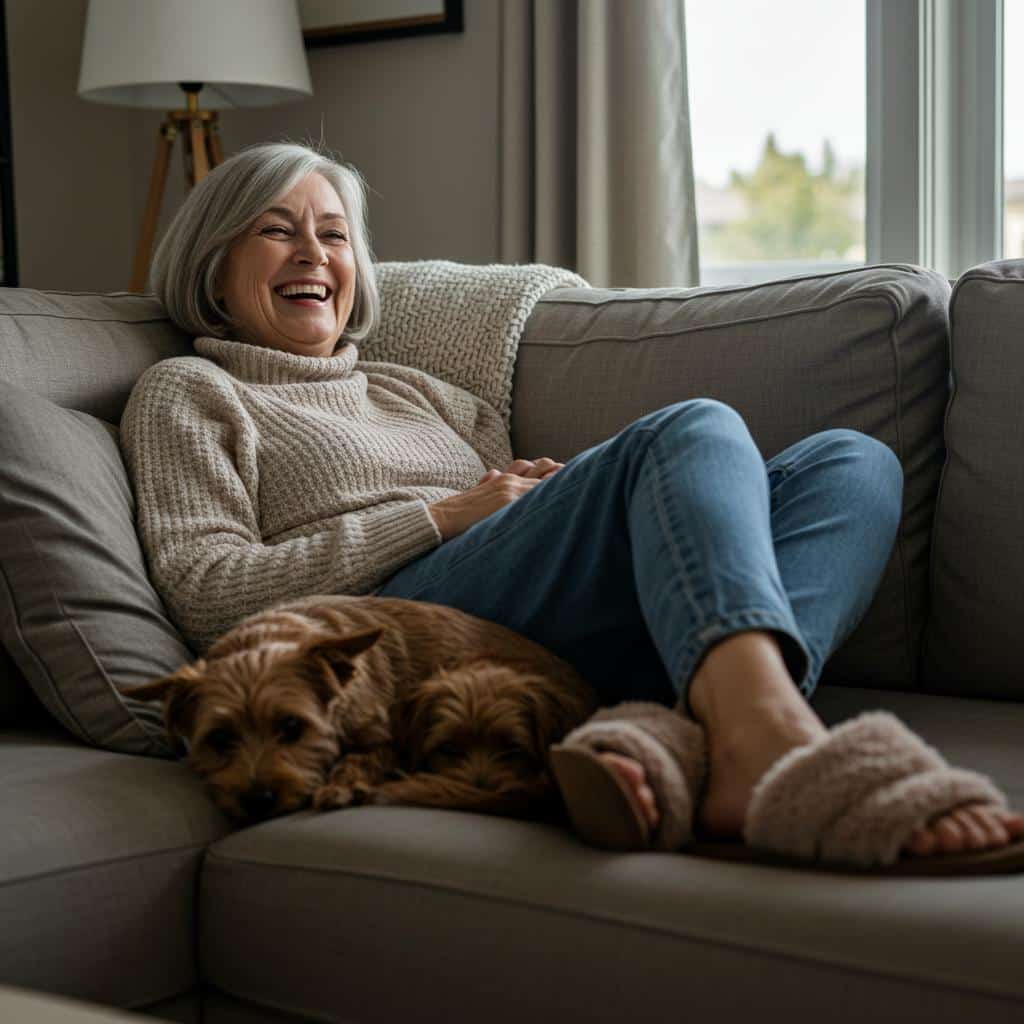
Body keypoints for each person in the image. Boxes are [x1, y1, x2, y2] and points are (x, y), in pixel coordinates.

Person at [121, 141, 1024, 870]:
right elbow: (211, 593)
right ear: (215, 261)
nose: (315, 253)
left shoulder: (418, 392)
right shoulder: (191, 392)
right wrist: (443, 518)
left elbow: (515, 521)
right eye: (279, 231)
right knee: (693, 426)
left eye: (334, 234)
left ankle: (679, 735)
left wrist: (552, 494)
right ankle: (768, 742)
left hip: (529, 626)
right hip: (400, 625)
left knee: (854, 462)